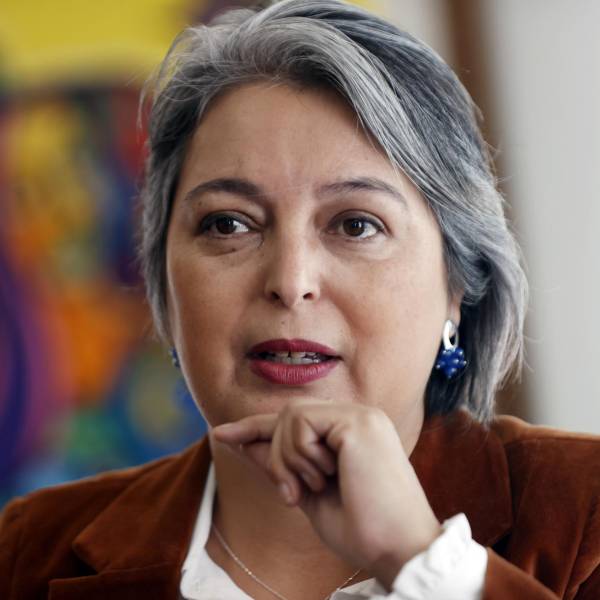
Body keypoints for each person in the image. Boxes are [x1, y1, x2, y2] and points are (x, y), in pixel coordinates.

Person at [1, 1, 599, 598]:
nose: (290, 281)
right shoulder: (28, 550)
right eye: (228, 224)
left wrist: (422, 561)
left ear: (457, 284)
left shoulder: (584, 509)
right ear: (164, 278)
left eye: (356, 225)